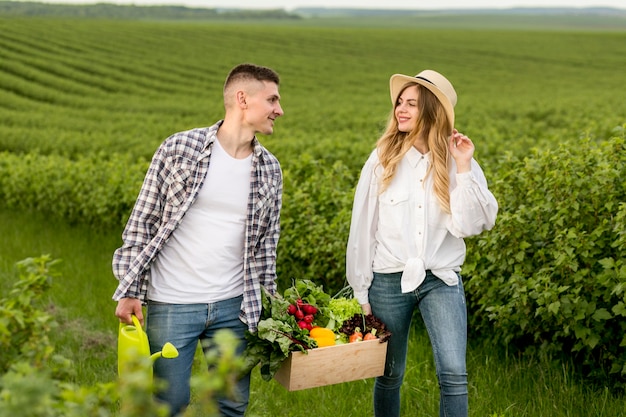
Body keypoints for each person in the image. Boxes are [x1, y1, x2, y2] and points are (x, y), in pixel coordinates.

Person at [112, 63, 284, 417]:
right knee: (166, 405)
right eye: (272, 100)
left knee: (231, 405)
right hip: (173, 302)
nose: (279, 110)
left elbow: (267, 247)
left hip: (234, 307)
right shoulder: (180, 148)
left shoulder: (270, 168)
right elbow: (142, 222)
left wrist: (273, 308)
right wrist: (129, 289)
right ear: (242, 99)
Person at [346, 69, 498, 417]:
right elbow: (362, 229)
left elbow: (471, 225)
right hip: (387, 280)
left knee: (453, 374)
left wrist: (462, 167)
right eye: (400, 102)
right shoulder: (381, 159)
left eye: (411, 104)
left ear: (431, 111)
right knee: (389, 373)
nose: (400, 109)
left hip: (440, 279)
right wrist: (360, 292)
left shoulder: (459, 161)